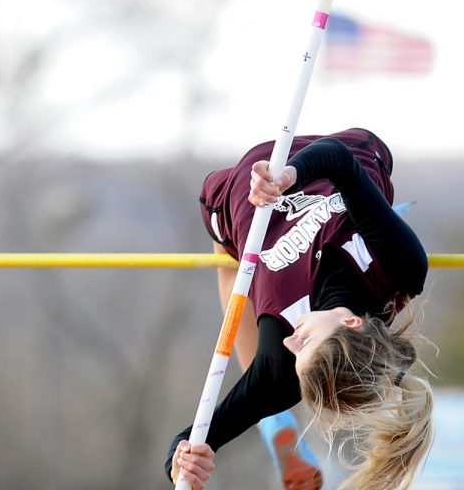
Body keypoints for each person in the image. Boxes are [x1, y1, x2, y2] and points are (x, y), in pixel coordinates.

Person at [167, 128, 432, 490]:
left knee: (236, 271)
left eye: (296, 354)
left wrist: (181, 463)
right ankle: (273, 417)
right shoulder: (399, 268)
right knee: (370, 169)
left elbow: (194, 438)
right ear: (353, 323)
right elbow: (340, 160)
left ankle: (272, 420)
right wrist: (288, 175)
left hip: (239, 191)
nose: (292, 344)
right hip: (342, 157)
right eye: (304, 342)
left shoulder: (283, 368)